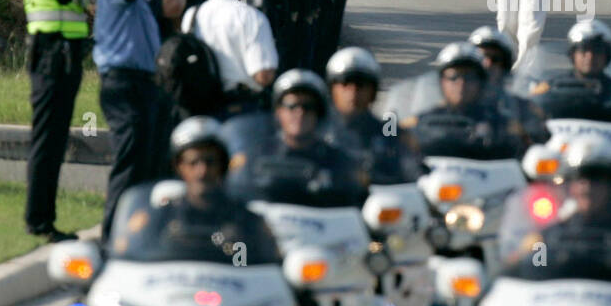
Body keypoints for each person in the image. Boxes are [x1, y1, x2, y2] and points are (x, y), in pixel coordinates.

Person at [109, 117, 281, 273]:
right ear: (179, 167)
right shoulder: (157, 217)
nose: (202, 171)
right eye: (193, 163)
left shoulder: (246, 220)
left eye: (210, 162)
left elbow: (253, 273)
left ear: (222, 166)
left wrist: (236, 244)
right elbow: (129, 263)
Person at [501, 138, 611, 285]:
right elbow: (522, 279)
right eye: (579, 178)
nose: (587, 186)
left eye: (597, 177)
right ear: (569, 185)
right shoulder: (545, 240)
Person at [22, 0, 96, 241]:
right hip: (52, 56)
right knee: (48, 142)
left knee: (53, 140)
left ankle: (42, 219)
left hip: (59, 56)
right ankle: (39, 221)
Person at [93, 0, 169, 242]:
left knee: (148, 160)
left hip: (144, 84)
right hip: (122, 84)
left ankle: (139, 231)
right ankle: (112, 234)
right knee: (130, 158)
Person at [227, 70, 369, 209]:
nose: (300, 113)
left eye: (308, 107)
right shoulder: (253, 157)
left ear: (319, 113)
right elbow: (234, 201)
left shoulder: (341, 162)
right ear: (279, 111)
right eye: (292, 106)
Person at [180, 0, 279, 114]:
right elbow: (263, 75)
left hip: (200, 106)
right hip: (241, 108)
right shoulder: (252, 17)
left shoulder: (192, 15)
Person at [408, 43, 531, 159]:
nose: (461, 84)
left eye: (470, 77)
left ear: (481, 83)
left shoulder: (505, 124)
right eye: (453, 77)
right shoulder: (419, 120)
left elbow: (529, 160)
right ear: (442, 82)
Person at [325, 46, 421, 183]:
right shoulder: (313, 131)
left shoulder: (391, 136)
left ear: (373, 91)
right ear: (332, 88)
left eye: (361, 84)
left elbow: (413, 171)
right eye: (345, 82)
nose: (353, 92)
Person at [526, 19, 611, 121]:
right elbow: (528, 113)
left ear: (607, 56)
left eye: (597, 51)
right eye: (583, 50)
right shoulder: (550, 88)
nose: (590, 57)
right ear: (572, 54)